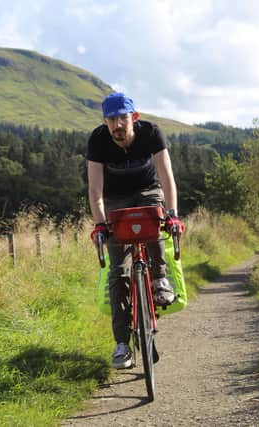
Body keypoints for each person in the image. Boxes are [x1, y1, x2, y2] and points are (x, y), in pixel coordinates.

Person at [87, 92, 184, 369]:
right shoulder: (98, 140)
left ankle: (159, 280)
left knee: (153, 222)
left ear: (134, 118)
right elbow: (95, 190)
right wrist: (100, 225)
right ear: (105, 121)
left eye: (123, 118)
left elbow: (167, 178)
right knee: (118, 272)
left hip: (148, 191)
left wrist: (173, 215)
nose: (118, 124)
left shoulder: (151, 133)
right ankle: (122, 345)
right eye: (111, 119)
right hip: (115, 199)